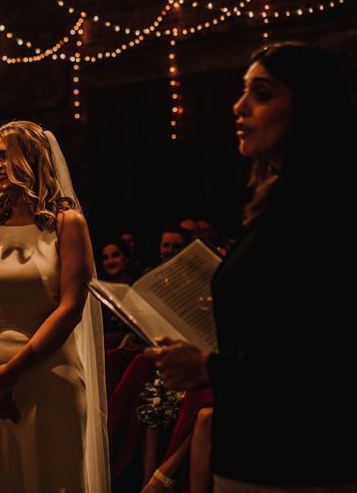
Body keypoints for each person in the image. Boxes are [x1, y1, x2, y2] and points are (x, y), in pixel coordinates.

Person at [145, 43, 357, 492]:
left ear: (311, 106)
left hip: (300, 462)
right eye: (243, 92)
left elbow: (329, 357)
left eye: (261, 93)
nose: (238, 106)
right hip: (251, 450)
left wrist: (210, 368)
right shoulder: (279, 202)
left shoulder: (331, 208)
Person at [0, 121, 109, 492]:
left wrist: (14, 370)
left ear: (30, 159)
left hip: (50, 375)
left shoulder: (67, 224)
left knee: (54, 477)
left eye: (3, 155)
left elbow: (70, 307)